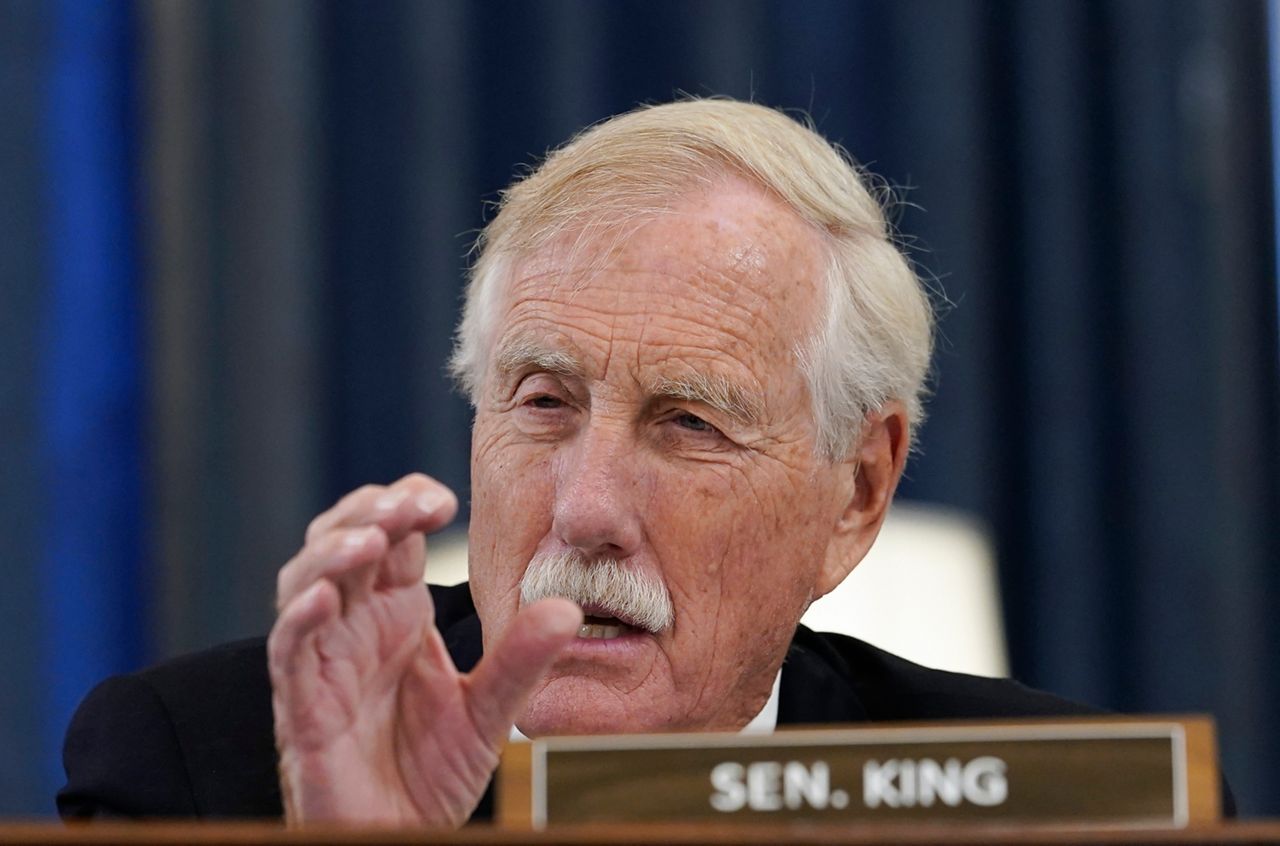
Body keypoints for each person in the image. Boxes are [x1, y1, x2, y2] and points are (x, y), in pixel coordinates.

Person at [59, 98, 1102, 825]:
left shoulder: (1047, 804)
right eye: (545, 404)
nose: (585, 510)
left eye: (689, 422)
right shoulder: (196, 767)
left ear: (857, 491)